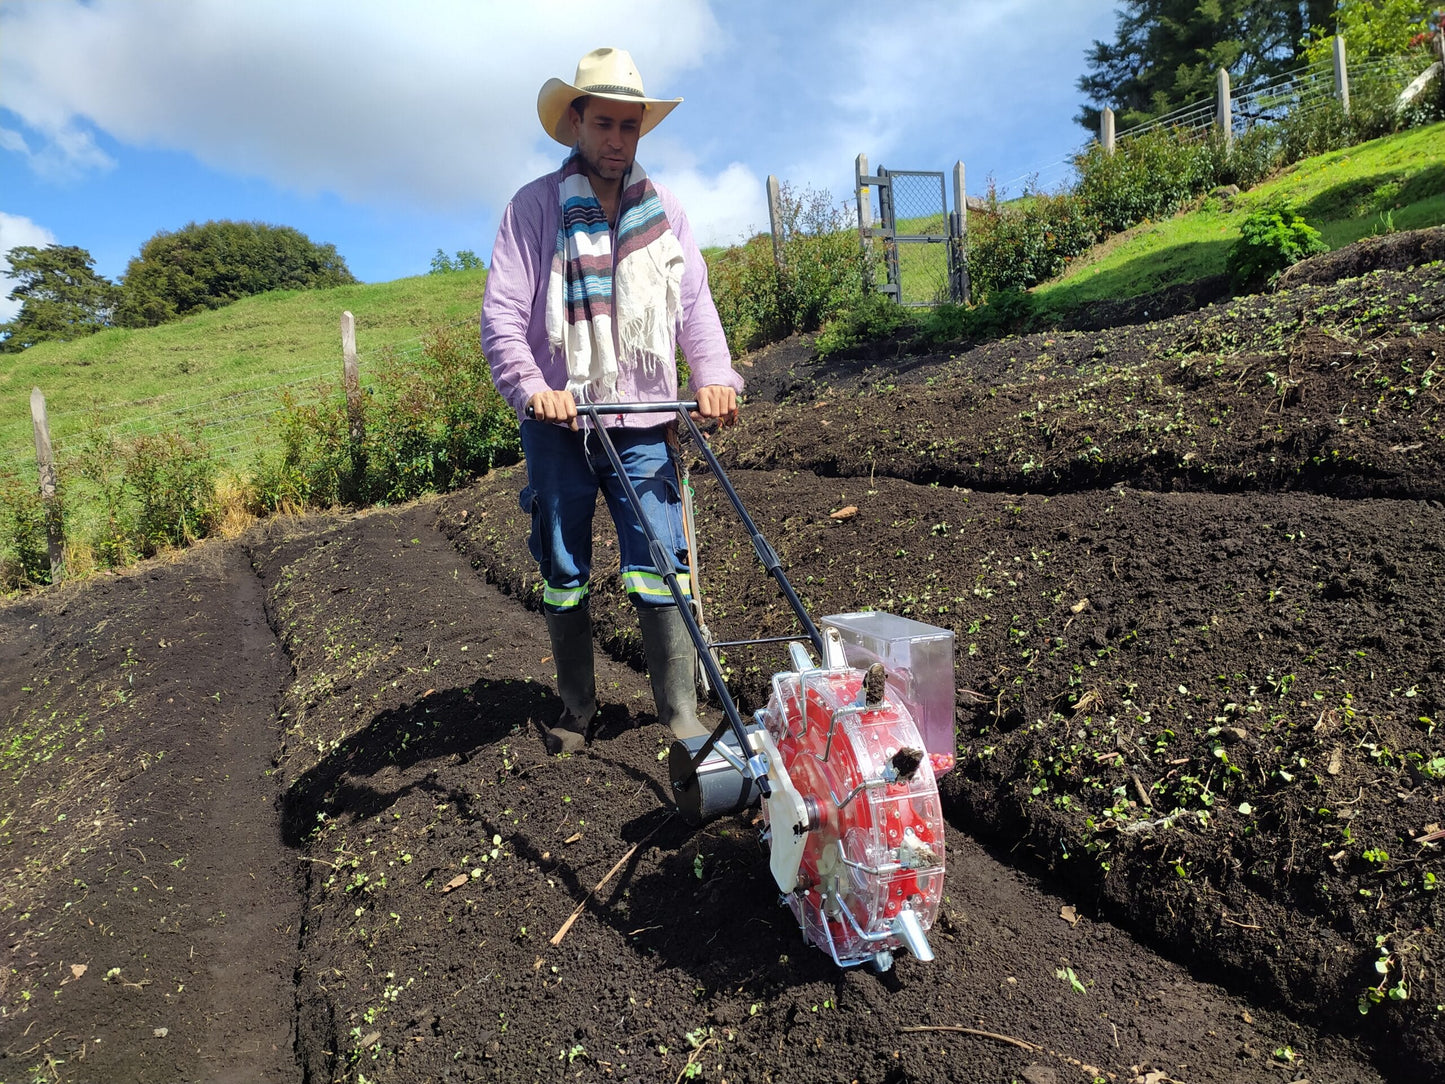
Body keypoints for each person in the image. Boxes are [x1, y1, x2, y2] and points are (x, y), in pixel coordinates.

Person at [481, 47, 744, 755]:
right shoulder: (534, 209)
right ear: (575, 122)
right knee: (564, 566)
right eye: (603, 123)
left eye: (630, 127)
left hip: (644, 421)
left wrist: (715, 377)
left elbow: (695, 311)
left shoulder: (665, 216)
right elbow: (502, 315)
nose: (616, 140)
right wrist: (534, 390)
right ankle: (576, 711)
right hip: (559, 422)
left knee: (662, 558)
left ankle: (680, 714)